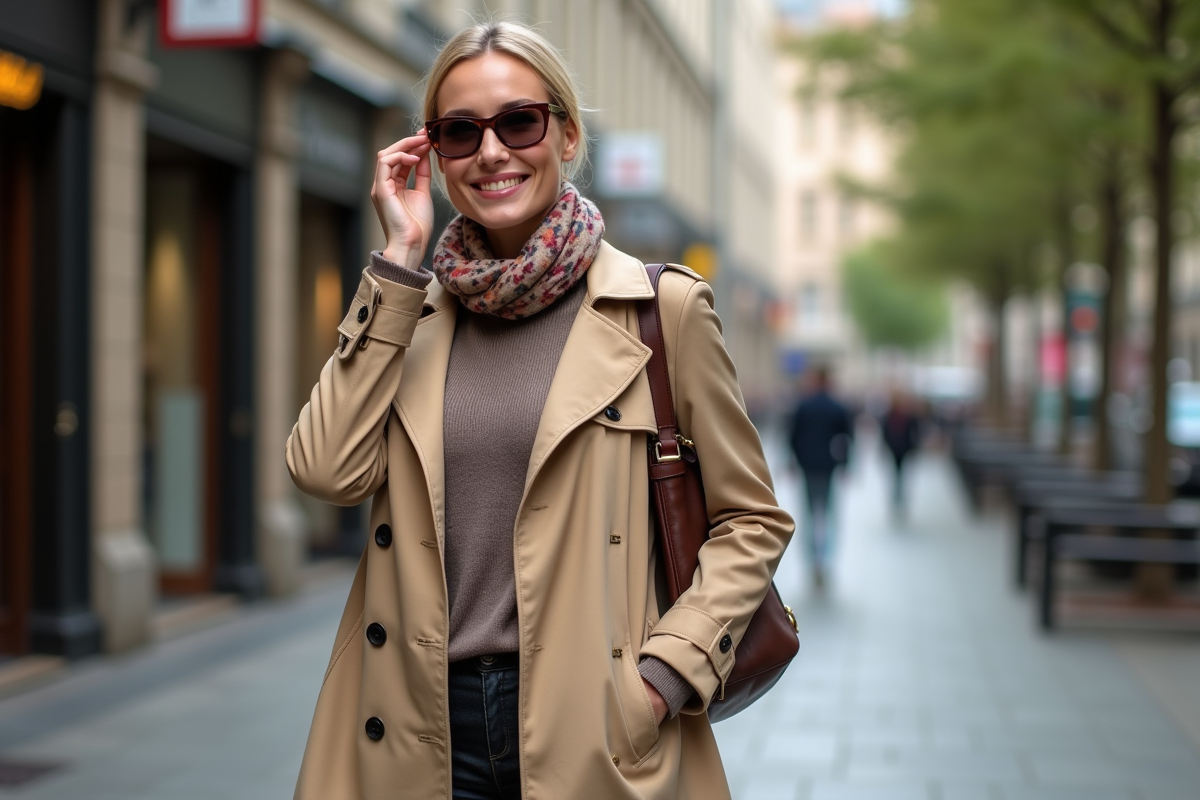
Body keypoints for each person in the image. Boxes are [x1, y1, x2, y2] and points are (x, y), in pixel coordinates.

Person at [287, 20, 794, 800]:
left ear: (566, 134)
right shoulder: (410, 315)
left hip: (598, 730)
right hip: (418, 729)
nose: (491, 152)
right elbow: (326, 472)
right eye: (460, 132)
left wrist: (664, 675)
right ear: (435, 155)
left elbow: (750, 519)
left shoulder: (660, 310)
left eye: (518, 122)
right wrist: (397, 263)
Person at [788, 367, 854, 588]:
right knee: (828, 516)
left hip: (807, 467)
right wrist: (846, 464)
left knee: (808, 516)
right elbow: (848, 437)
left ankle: (812, 561)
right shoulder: (837, 407)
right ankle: (825, 560)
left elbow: (792, 437)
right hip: (828, 468)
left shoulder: (804, 406)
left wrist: (792, 461)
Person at [880, 389, 922, 519]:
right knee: (896, 475)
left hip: (904, 449)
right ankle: (896, 498)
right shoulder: (889, 416)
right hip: (894, 449)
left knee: (901, 475)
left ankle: (901, 499)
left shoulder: (909, 416)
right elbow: (885, 433)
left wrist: (914, 448)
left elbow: (915, 433)